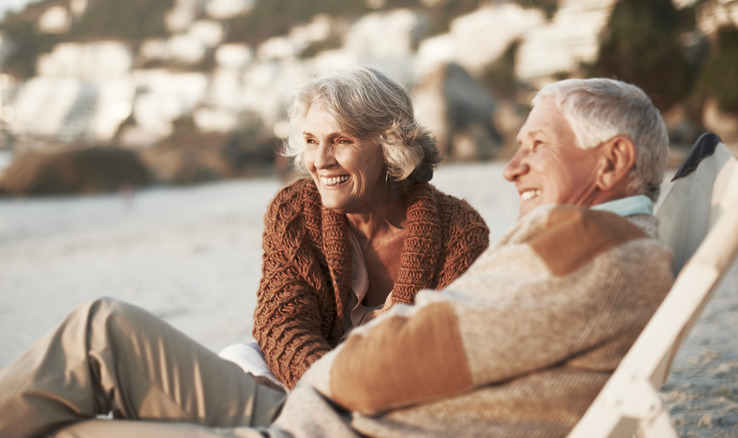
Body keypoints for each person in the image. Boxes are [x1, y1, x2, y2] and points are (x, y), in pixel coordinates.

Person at [0, 77, 674, 438]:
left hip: (324, 422)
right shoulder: (607, 254)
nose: (511, 167)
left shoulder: (582, 250)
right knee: (102, 329)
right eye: (310, 141)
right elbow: (285, 323)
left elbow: (416, 355)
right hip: (316, 405)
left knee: (69, 416)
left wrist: (318, 381)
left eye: (536, 146)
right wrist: (304, 378)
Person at [221, 66, 490, 390]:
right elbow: (282, 325)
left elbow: (450, 346)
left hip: (402, 393)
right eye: (311, 140)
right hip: (318, 385)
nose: (320, 160)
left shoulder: (459, 229)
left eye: (341, 140)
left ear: (391, 145)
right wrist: (333, 390)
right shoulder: (293, 211)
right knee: (236, 357)